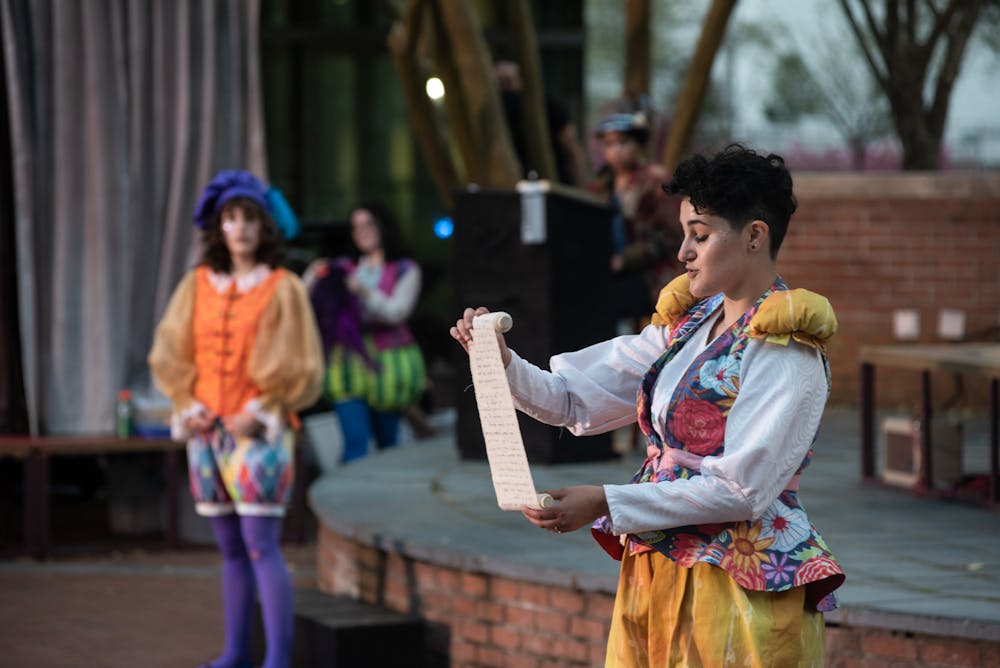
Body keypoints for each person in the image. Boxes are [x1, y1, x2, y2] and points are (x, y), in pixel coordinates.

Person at [451, 145, 845, 666]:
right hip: (658, 568)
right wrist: (501, 364)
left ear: (755, 236)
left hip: (739, 588)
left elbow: (742, 490)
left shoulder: (786, 346)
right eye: (685, 233)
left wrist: (607, 502)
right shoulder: (686, 328)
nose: (683, 252)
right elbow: (573, 400)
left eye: (699, 235)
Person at [148, 169, 324, 668]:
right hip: (206, 432)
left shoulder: (282, 288)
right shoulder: (197, 285)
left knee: (259, 544)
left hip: (260, 432)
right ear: (219, 227)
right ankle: (235, 654)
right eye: (231, 217)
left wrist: (262, 408)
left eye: (249, 216)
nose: (240, 226)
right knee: (227, 545)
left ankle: (278, 660)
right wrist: (188, 404)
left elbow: (301, 364)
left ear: (263, 226)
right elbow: (172, 352)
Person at [304, 201, 426, 463]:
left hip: (389, 367)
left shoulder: (406, 269)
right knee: (355, 443)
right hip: (346, 366)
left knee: (387, 445)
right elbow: (303, 303)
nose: (362, 232)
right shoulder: (343, 268)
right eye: (356, 227)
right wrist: (314, 275)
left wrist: (362, 290)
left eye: (368, 224)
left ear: (384, 226)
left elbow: (396, 312)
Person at [590, 110, 684, 333]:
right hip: (608, 281)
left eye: (623, 142)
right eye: (609, 144)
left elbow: (673, 236)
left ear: (639, 144)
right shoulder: (600, 185)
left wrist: (628, 259)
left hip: (651, 280)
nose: (615, 150)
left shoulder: (655, 181)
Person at [495, 57, 589, 188]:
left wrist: (581, 188)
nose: (507, 89)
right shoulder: (493, 114)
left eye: (509, 81)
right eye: (502, 83)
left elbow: (572, 149)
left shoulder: (548, 107)